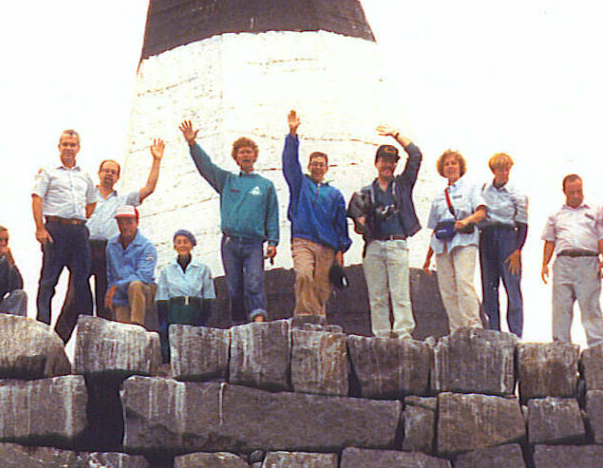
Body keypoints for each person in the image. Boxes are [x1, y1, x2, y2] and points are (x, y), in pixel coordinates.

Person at [54, 140, 165, 341]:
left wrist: (156, 160)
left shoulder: (122, 200)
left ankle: (102, 346)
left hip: (107, 251)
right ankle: (57, 342)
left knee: (105, 300)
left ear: (117, 177)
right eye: (106, 170)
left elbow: (148, 188)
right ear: (99, 172)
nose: (109, 174)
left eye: (113, 172)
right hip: (84, 249)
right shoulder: (87, 194)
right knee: (74, 298)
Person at [180, 119, 279, 323]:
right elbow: (206, 166)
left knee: (254, 281)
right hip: (230, 242)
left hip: (253, 243)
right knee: (234, 287)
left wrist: (273, 242)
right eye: (241, 152)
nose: (245, 155)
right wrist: (193, 144)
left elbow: (272, 215)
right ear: (235, 158)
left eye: (249, 151)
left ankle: (258, 318)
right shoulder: (227, 180)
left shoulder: (266, 185)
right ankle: (238, 324)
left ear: (255, 156)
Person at [348, 126, 422, 339]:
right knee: (377, 295)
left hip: (397, 243)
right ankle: (381, 334)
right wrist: (362, 220)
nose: (388, 165)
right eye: (384, 160)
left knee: (400, 293)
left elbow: (416, 155)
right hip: (373, 246)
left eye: (392, 161)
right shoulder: (365, 192)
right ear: (376, 163)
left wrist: (395, 134)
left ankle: (403, 331)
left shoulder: (402, 184)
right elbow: (358, 224)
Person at [282, 110, 350, 318]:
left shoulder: (335, 194)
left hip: (327, 245)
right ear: (309, 166)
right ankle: (303, 317)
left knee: (322, 287)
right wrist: (292, 135)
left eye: (322, 164)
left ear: (327, 168)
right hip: (303, 239)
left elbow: (341, 224)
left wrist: (341, 250)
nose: (318, 167)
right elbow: (289, 163)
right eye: (314, 163)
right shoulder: (300, 183)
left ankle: (319, 319)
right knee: (303, 275)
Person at [32, 129, 98, 337]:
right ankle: (42, 327)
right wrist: (40, 228)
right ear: (59, 147)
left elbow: (92, 201)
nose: (69, 148)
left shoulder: (85, 175)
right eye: (65, 144)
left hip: (78, 231)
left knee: (82, 282)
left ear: (78, 148)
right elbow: (37, 198)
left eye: (73, 144)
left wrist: (78, 219)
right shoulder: (49, 171)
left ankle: (87, 330)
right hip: (56, 230)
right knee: (49, 281)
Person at [541, 174, 603, 346]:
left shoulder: (594, 211)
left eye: (579, 191)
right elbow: (550, 241)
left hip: (588, 261)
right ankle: (561, 344)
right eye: (571, 192)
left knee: (590, 305)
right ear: (564, 192)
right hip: (564, 262)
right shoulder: (556, 215)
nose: (575, 196)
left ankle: (596, 344)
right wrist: (544, 264)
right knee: (561, 307)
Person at [422, 149, 487, 333]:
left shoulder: (471, 188)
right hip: (443, 245)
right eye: (447, 164)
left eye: (454, 163)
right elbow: (435, 229)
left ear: (460, 167)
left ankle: (473, 326)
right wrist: (428, 258)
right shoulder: (439, 197)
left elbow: (482, 212)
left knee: (464, 282)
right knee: (447, 289)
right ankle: (457, 330)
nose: (450, 167)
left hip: (464, 241)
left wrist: (466, 221)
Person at [478, 153, 529, 337]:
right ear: (493, 170)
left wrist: (517, 250)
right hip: (487, 236)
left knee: (512, 286)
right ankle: (493, 332)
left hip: (508, 237)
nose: (504, 172)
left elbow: (523, 224)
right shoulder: (483, 190)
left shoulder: (517, 193)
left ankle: (516, 333)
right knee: (489, 285)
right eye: (500, 168)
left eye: (507, 168)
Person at [155, 229, 216, 362]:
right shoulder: (166, 270)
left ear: (192, 245)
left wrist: (204, 319)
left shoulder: (202, 269)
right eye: (178, 242)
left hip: (195, 310)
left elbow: (208, 295)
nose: (182, 245)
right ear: (174, 246)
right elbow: (162, 297)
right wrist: (164, 321)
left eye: (185, 242)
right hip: (175, 311)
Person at [104, 205, 157, 326]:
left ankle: (137, 326)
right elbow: (110, 273)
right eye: (121, 223)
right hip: (121, 294)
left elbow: (144, 275)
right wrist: (110, 291)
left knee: (135, 285)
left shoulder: (147, 246)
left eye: (129, 222)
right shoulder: (111, 245)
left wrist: (116, 286)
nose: (124, 227)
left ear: (137, 222)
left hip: (144, 291)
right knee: (121, 327)